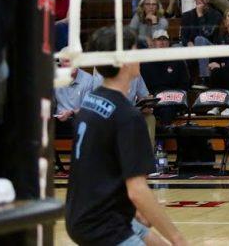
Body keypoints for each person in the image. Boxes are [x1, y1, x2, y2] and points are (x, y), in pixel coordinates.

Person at [64, 27, 187, 246]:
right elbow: (138, 191)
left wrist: (135, 212)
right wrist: (178, 239)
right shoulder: (127, 115)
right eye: (133, 51)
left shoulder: (89, 104)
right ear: (123, 61)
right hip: (102, 226)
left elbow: (100, 168)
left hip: (86, 216)